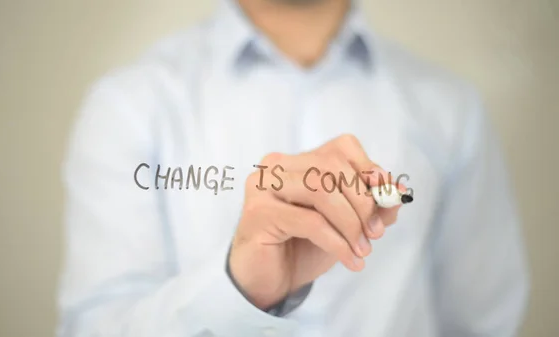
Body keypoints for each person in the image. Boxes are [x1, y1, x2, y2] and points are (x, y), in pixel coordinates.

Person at [57, 0, 530, 336]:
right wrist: (237, 288)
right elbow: (95, 328)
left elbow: (483, 323)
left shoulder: (450, 110)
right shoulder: (129, 105)